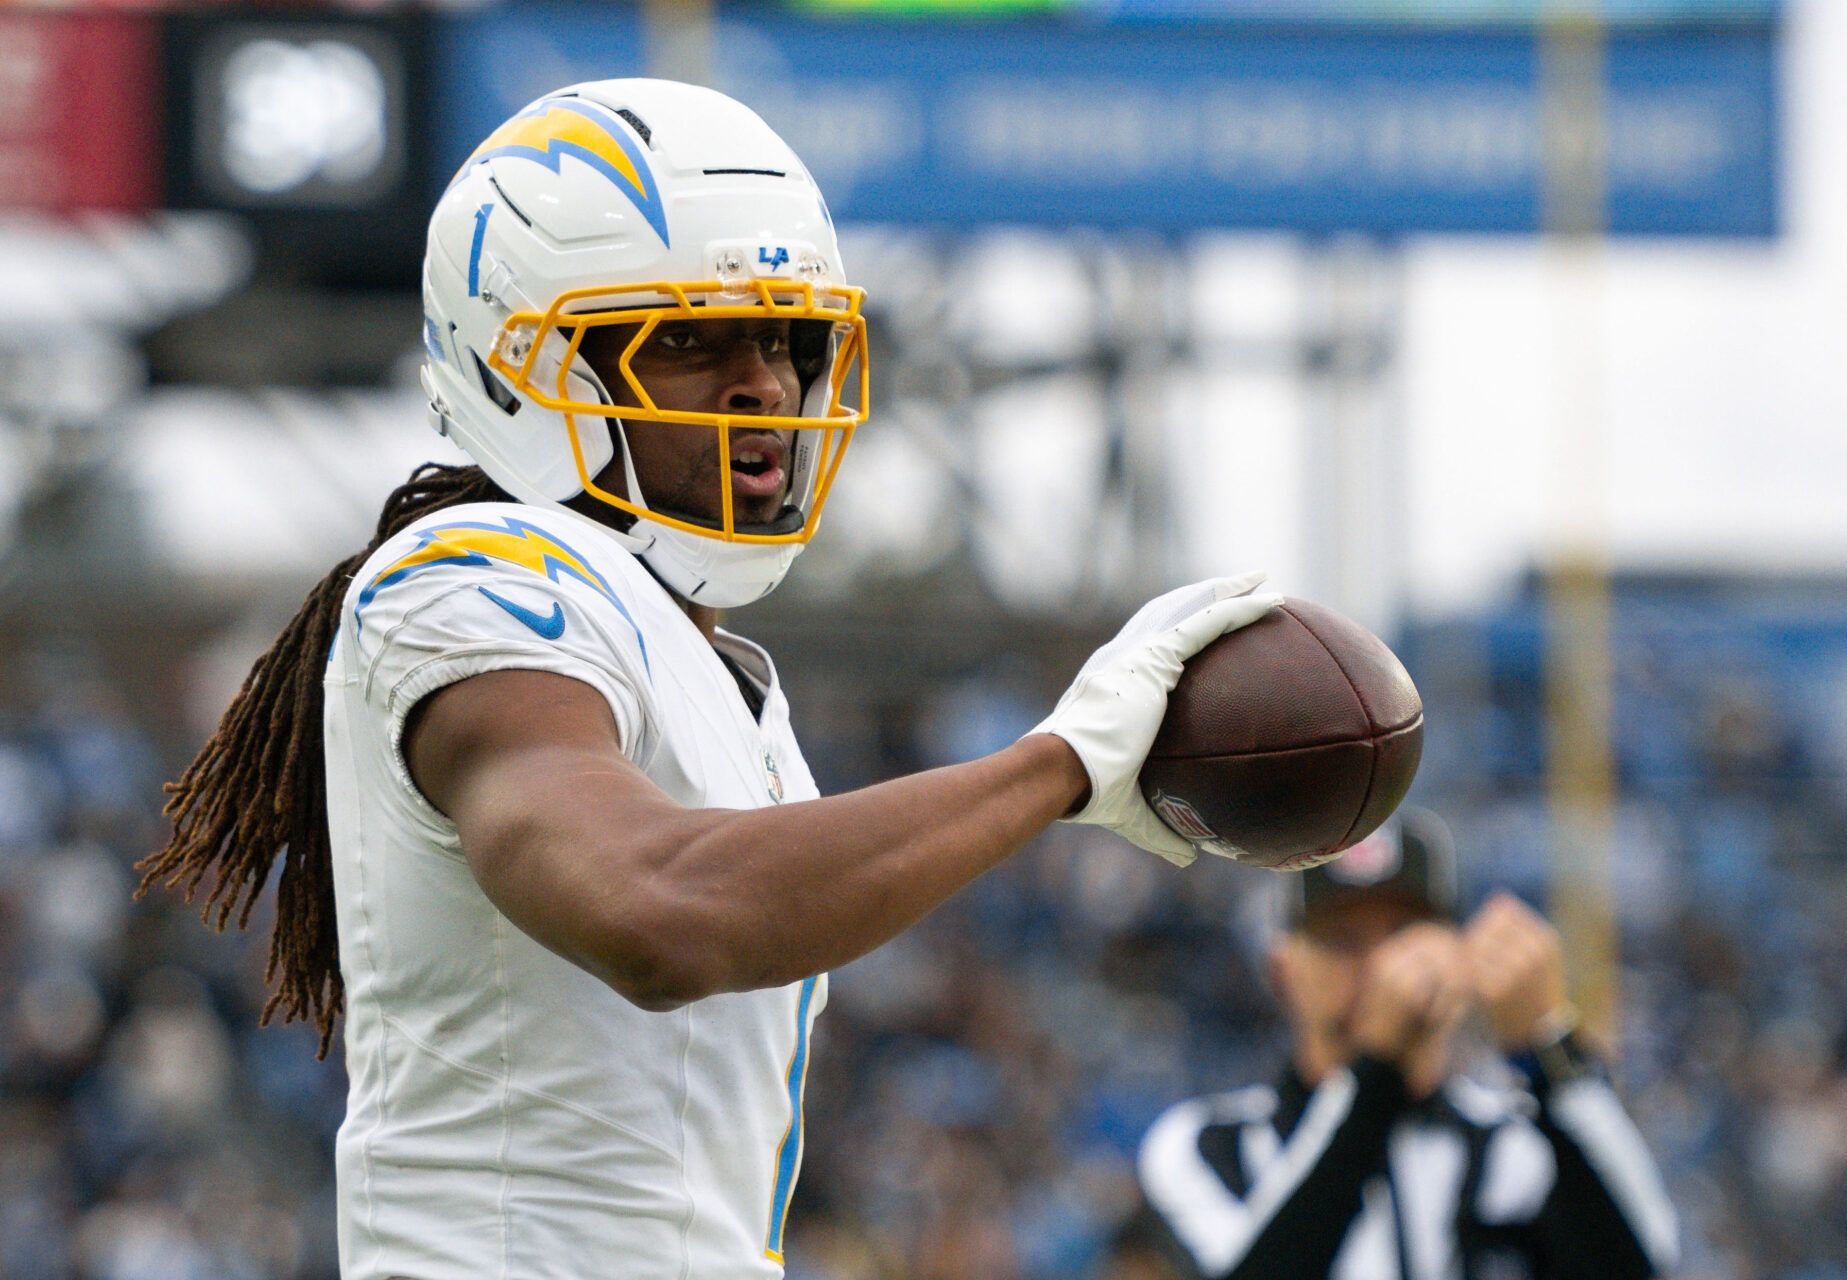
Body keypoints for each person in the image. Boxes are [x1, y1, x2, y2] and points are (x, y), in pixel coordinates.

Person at [135, 79, 1281, 1277]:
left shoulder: (709, 665)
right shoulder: (471, 575)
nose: (766, 387)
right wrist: (1055, 766)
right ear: (527, 364)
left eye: (787, 338)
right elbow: (658, 912)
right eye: (689, 339)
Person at [1120, 810, 1680, 1280]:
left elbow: (1643, 1262)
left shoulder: (1507, 1146)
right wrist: (1376, 1071)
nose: (1384, 967)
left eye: (1405, 935)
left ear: (1461, 957)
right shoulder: (1204, 1145)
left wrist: (1549, 1052)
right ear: (1283, 970)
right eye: (1343, 941)